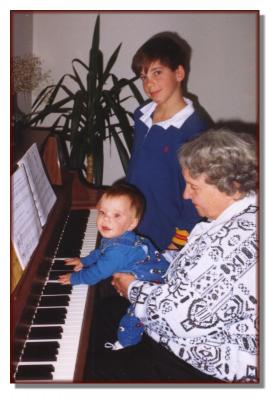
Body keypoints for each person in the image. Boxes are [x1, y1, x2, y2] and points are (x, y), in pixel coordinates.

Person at [88, 128, 258, 383]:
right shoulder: (240, 214)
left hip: (199, 361)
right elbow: (198, 268)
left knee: (88, 366)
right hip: (177, 318)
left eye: (194, 187)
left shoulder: (239, 239)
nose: (186, 195)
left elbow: (182, 319)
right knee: (97, 314)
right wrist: (155, 256)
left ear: (233, 187)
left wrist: (132, 288)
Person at [127, 31, 211, 251]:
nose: (149, 83)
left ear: (179, 73)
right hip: (135, 222)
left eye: (157, 73)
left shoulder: (194, 130)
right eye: (144, 76)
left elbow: (196, 194)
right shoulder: (141, 115)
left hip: (167, 235)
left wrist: (177, 243)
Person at [58, 182, 169, 350]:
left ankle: (127, 343)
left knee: (134, 316)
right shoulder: (117, 236)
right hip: (156, 268)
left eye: (116, 215)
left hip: (153, 284)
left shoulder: (118, 252)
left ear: (132, 224)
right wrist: (84, 261)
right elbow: (101, 251)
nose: (106, 219)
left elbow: (96, 273)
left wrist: (76, 278)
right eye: (102, 212)